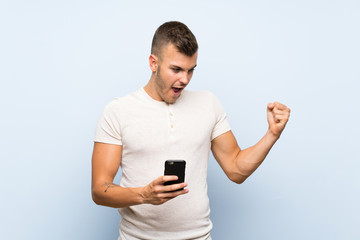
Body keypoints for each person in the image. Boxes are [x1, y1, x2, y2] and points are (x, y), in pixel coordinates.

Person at [91, 21, 290, 240]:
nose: (184, 79)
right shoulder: (118, 110)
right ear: (153, 63)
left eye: (190, 70)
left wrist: (272, 135)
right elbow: (100, 190)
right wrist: (144, 195)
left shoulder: (208, 103)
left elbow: (236, 169)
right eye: (176, 69)